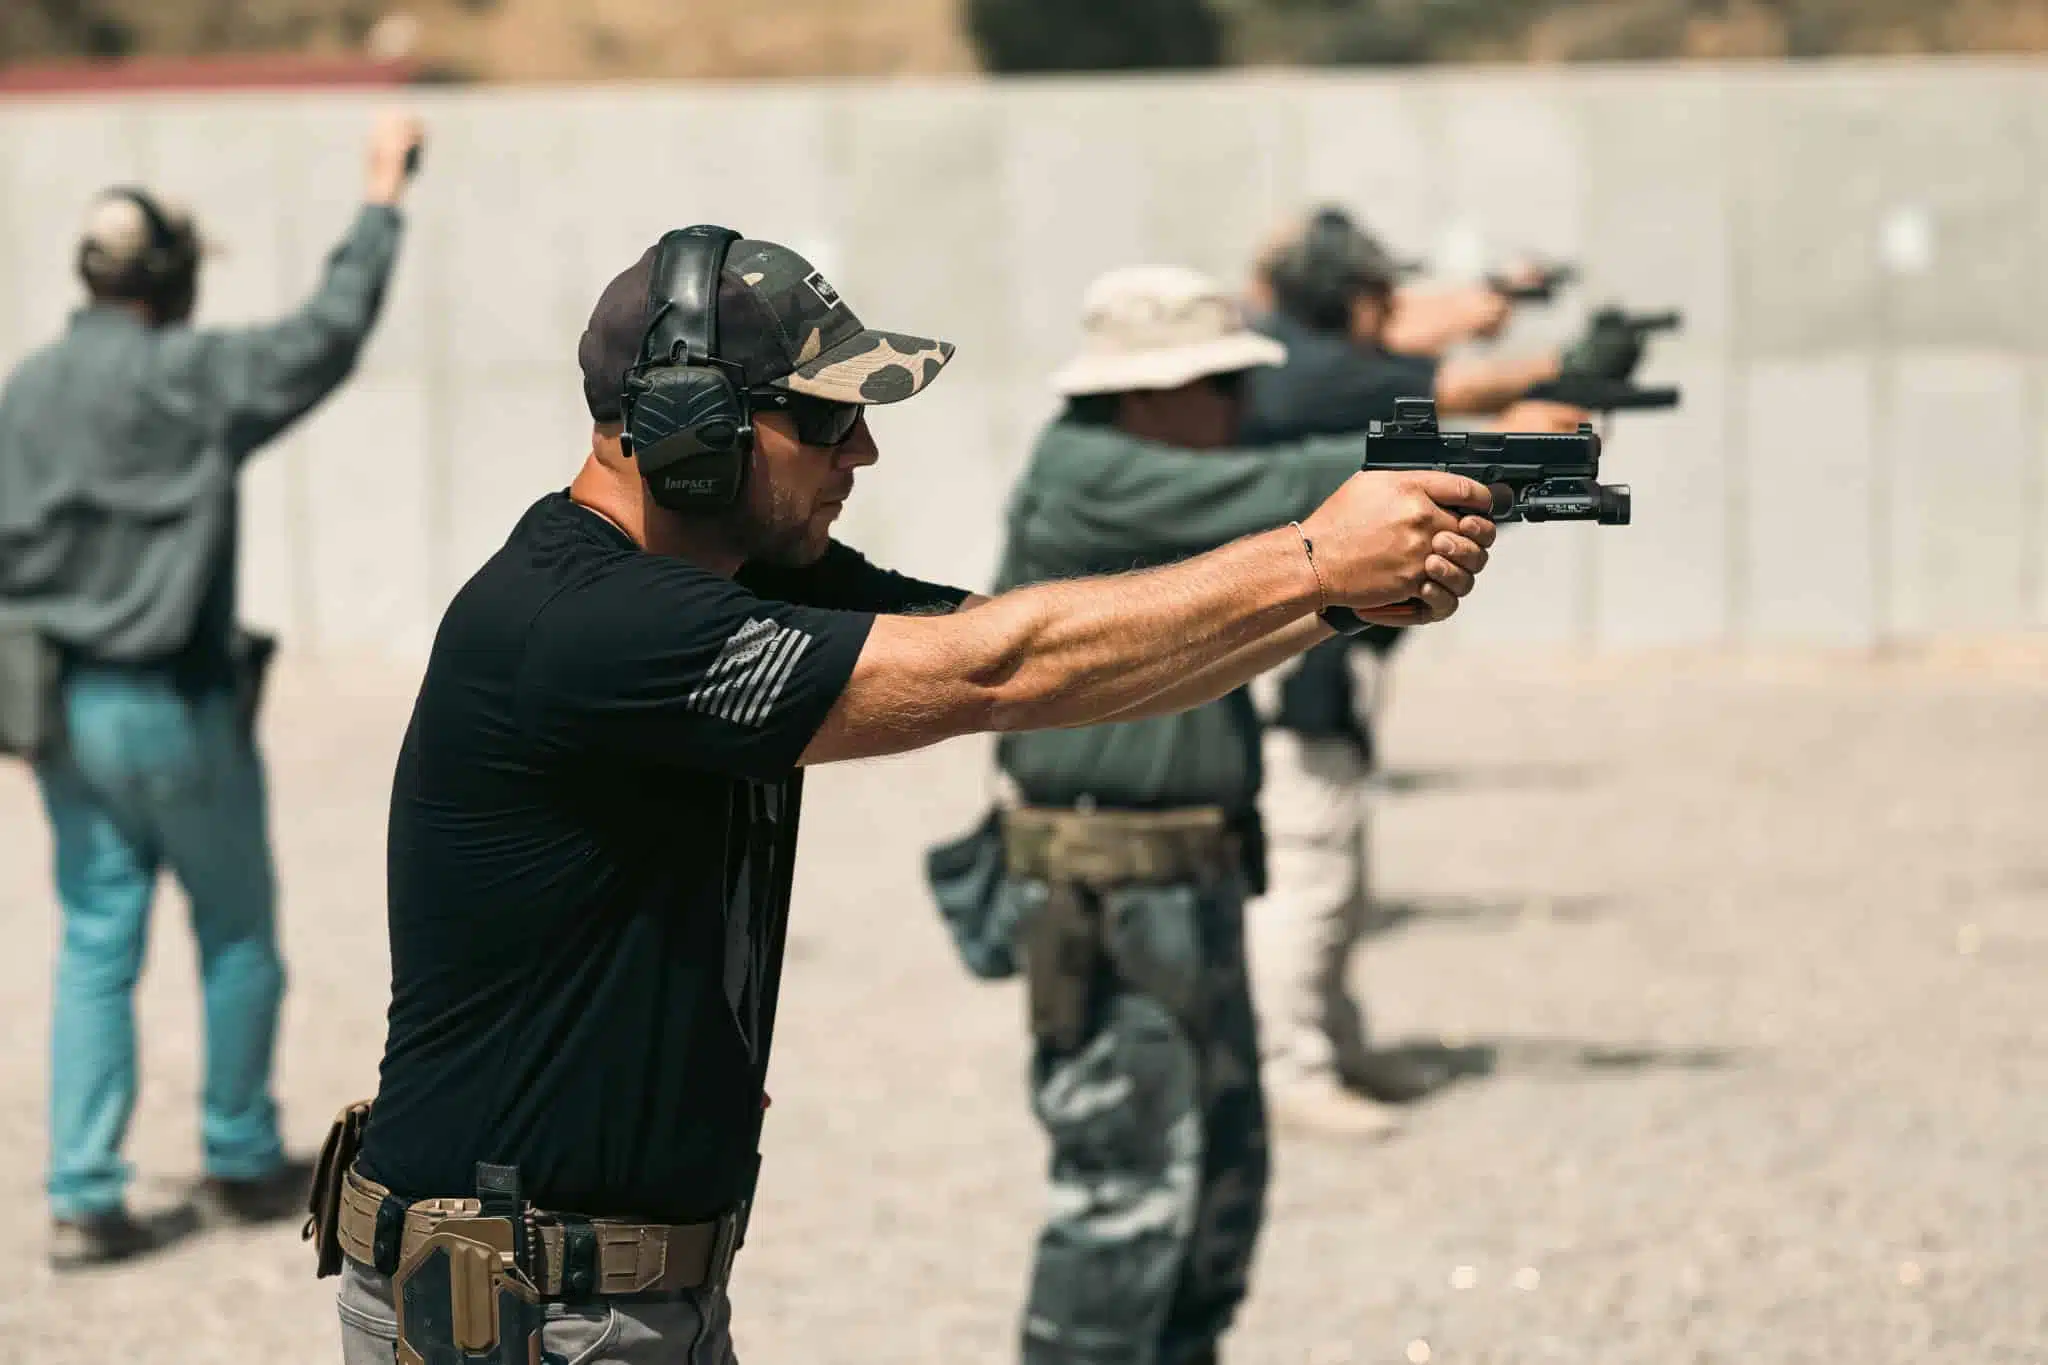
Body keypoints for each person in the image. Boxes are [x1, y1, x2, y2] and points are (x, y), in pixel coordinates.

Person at [317, 233, 1497, 1365]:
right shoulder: (589, 627)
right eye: (827, 416)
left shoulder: (719, 576)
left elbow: (1039, 671)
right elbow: (996, 669)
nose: (861, 453)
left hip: (599, 1297)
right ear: (693, 427)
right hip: (526, 1315)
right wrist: (1307, 561)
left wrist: (1329, 607)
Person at [964, 264, 1501, 1365]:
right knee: (1124, 1198)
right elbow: (1297, 488)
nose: (1234, 410)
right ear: (1144, 392)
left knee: (1214, 1183)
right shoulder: (1092, 468)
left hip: (1187, 873)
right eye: (1213, 386)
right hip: (1106, 882)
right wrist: (1474, 446)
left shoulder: (1147, 471)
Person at [0, 111, 424, 1269]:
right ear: (175, 280)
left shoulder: (24, 393)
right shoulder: (194, 376)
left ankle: (84, 1195)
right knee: (236, 937)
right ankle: (238, 1157)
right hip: (180, 710)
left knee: (95, 940)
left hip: (65, 714)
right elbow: (326, 334)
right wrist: (381, 201)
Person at [1236, 207, 1590, 1136]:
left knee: (1335, 857)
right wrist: (1550, 413)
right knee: (1306, 864)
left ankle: (1334, 1041)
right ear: (1350, 302)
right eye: (1379, 295)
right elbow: (1458, 390)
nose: (1392, 310)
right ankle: (1291, 1065)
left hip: (1316, 640)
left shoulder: (1297, 359)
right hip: (1292, 651)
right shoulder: (1314, 368)